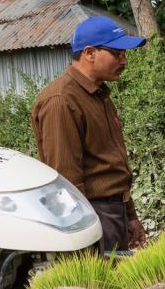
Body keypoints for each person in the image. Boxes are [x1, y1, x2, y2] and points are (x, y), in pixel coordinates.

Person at [31, 16, 147, 252]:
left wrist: (130, 215)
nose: (124, 60)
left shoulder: (98, 94)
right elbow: (66, 176)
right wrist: (85, 232)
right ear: (90, 53)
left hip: (114, 211)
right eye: (117, 53)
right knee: (98, 287)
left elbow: (110, 164)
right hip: (94, 215)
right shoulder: (61, 100)